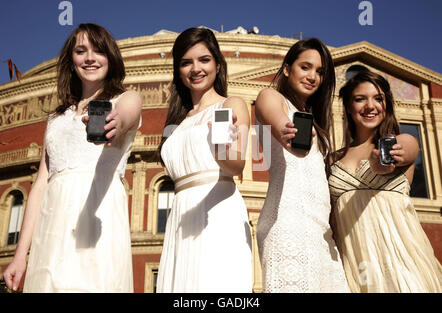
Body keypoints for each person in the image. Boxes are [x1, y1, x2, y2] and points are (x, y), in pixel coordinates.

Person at [3, 23, 142, 292]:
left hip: (97, 216)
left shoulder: (127, 98)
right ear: (72, 60)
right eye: (81, 51)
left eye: (98, 50)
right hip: (51, 225)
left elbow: (127, 114)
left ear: (111, 58)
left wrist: (115, 123)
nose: (90, 58)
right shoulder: (56, 119)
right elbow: (40, 185)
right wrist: (20, 255)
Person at [156, 27, 253, 292]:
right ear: (178, 70)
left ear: (218, 64)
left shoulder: (232, 105)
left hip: (218, 210)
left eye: (204, 60)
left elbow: (236, 164)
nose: (195, 68)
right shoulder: (177, 121)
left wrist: (219, 148)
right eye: (186, 62)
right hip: (181, 215)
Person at [328, 70, 442, 292]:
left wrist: (382, 164)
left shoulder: (404, 140)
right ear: (349, 107)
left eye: (378, 99)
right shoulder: (332, 159)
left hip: (402, 261)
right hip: (358, 266)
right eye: (360, 99)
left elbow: (403, 152)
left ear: (386, 105)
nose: (370, 106)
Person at [255, 38, 349, 292]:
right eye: (305, 67)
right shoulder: (270, 97)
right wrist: (286, 132)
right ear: (287, 69)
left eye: (319, 72)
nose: (313, 76)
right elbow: (277, 118)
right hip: (287, 224)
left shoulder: (315, 122)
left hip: (321, 232)